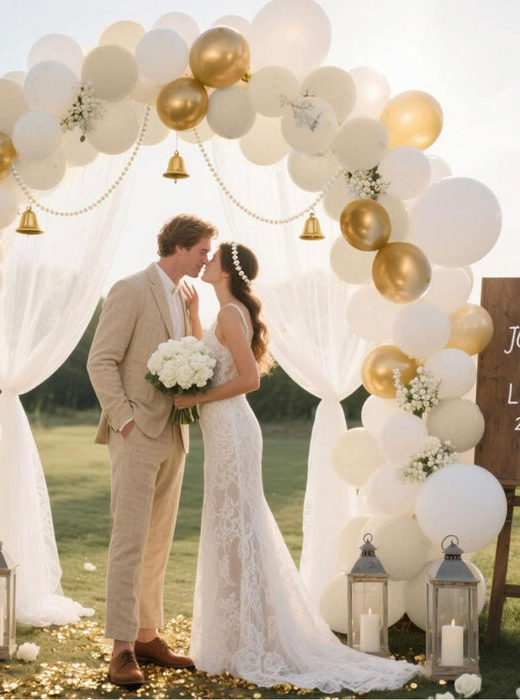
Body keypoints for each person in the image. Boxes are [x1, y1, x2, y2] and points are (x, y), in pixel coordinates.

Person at [173, 242, 421, 693]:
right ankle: (237, 634)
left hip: (232, 430)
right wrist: (192, 317)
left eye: (211, 258)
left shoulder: (231, 314)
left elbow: (247, 380)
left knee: (239, 529)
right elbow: (210, 361)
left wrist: (194, 399)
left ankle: (253, 636)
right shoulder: (224, 312)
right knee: (232, 530)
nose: (203, 262)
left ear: (227, 270)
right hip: (225, 431)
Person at [86, 214, 218, 689]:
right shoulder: (129, 289)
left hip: (175, 433)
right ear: (180, 247)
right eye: (203, 251)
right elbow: (100, 360)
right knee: (130, 539)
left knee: (158, 541)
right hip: (136, 431)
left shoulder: (187, 295)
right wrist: (124, 420)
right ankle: (120, 649)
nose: (207, 260)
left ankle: (147, 637)